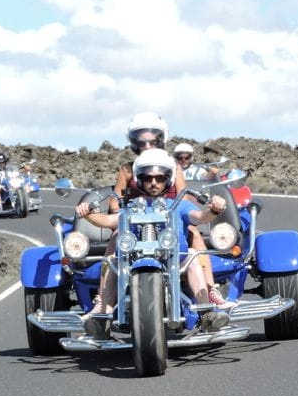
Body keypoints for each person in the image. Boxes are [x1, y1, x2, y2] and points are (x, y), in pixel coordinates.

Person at [75, 148, 230, 335]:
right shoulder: (131, 206)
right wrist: (88, 213)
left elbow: (199, 216)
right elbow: (108, 221)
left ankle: (206, 312)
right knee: (114, 260)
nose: (154, 183)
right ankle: (103, 318)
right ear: (140, 180)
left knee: (192, 256)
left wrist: (214, 210)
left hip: (176, 259)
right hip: (134, 259)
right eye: (148, 178)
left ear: (168, 179)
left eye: (160, 178)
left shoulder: (179, 204)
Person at [86, 113, 230, 308]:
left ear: (162, 140)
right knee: (117, 236)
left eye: (152, 141)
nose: (147, 146)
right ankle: (102, 298)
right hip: (136, 218)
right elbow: (115, 200)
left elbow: (183, 195)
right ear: (133, 142)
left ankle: (210, 289)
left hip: (169, 219)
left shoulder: (173, 166)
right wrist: (127, 209)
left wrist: (172, 211)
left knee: (193, 232)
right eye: (142, 142)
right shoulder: (128, 169)